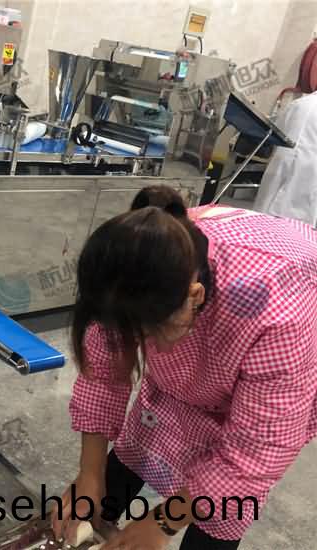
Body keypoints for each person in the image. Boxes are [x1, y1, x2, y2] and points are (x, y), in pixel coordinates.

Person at [52, 186, 317, 549]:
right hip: (209, 320)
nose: (144, 348)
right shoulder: (131, 265)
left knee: (220, 512)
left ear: (195, 297)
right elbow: (102, 374)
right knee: (136, 450)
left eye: (149, 335)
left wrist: (163, 521)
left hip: (284, 337)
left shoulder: (279, 314)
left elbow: (254, 452)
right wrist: (90, 471)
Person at [253, 91, 317, 227]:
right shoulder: (300, 104)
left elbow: (276, 132)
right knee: (296, 229)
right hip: (308, 178)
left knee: (263, 221)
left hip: (281, 171)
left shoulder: (298, 104)